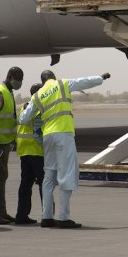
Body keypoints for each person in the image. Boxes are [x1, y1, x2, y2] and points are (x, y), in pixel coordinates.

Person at [18, 69, 110, 229]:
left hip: (48, 137)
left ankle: (46, 217)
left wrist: (27, 109)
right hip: (63, 134)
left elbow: (24, 119)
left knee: (48, 177)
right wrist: (100, 78)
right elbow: (85, 81)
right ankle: (63, 217)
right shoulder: (62, 84)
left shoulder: (38, 95)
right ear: (53, 77)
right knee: (67, 174)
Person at [0, 66, 24, 225]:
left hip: (5, 141)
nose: (20, 82)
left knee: (2, 176)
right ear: (10, 76)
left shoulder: (8, 92)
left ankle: (1, 211)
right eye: (18, 78)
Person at [14, 83, 45, 225]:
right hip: (37, 151)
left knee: (25, 184)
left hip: (24, 151)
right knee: (45, 184)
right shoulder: (37, 108)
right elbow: (40, 132)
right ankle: (47, 214)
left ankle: (21, 214)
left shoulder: (24, 107)